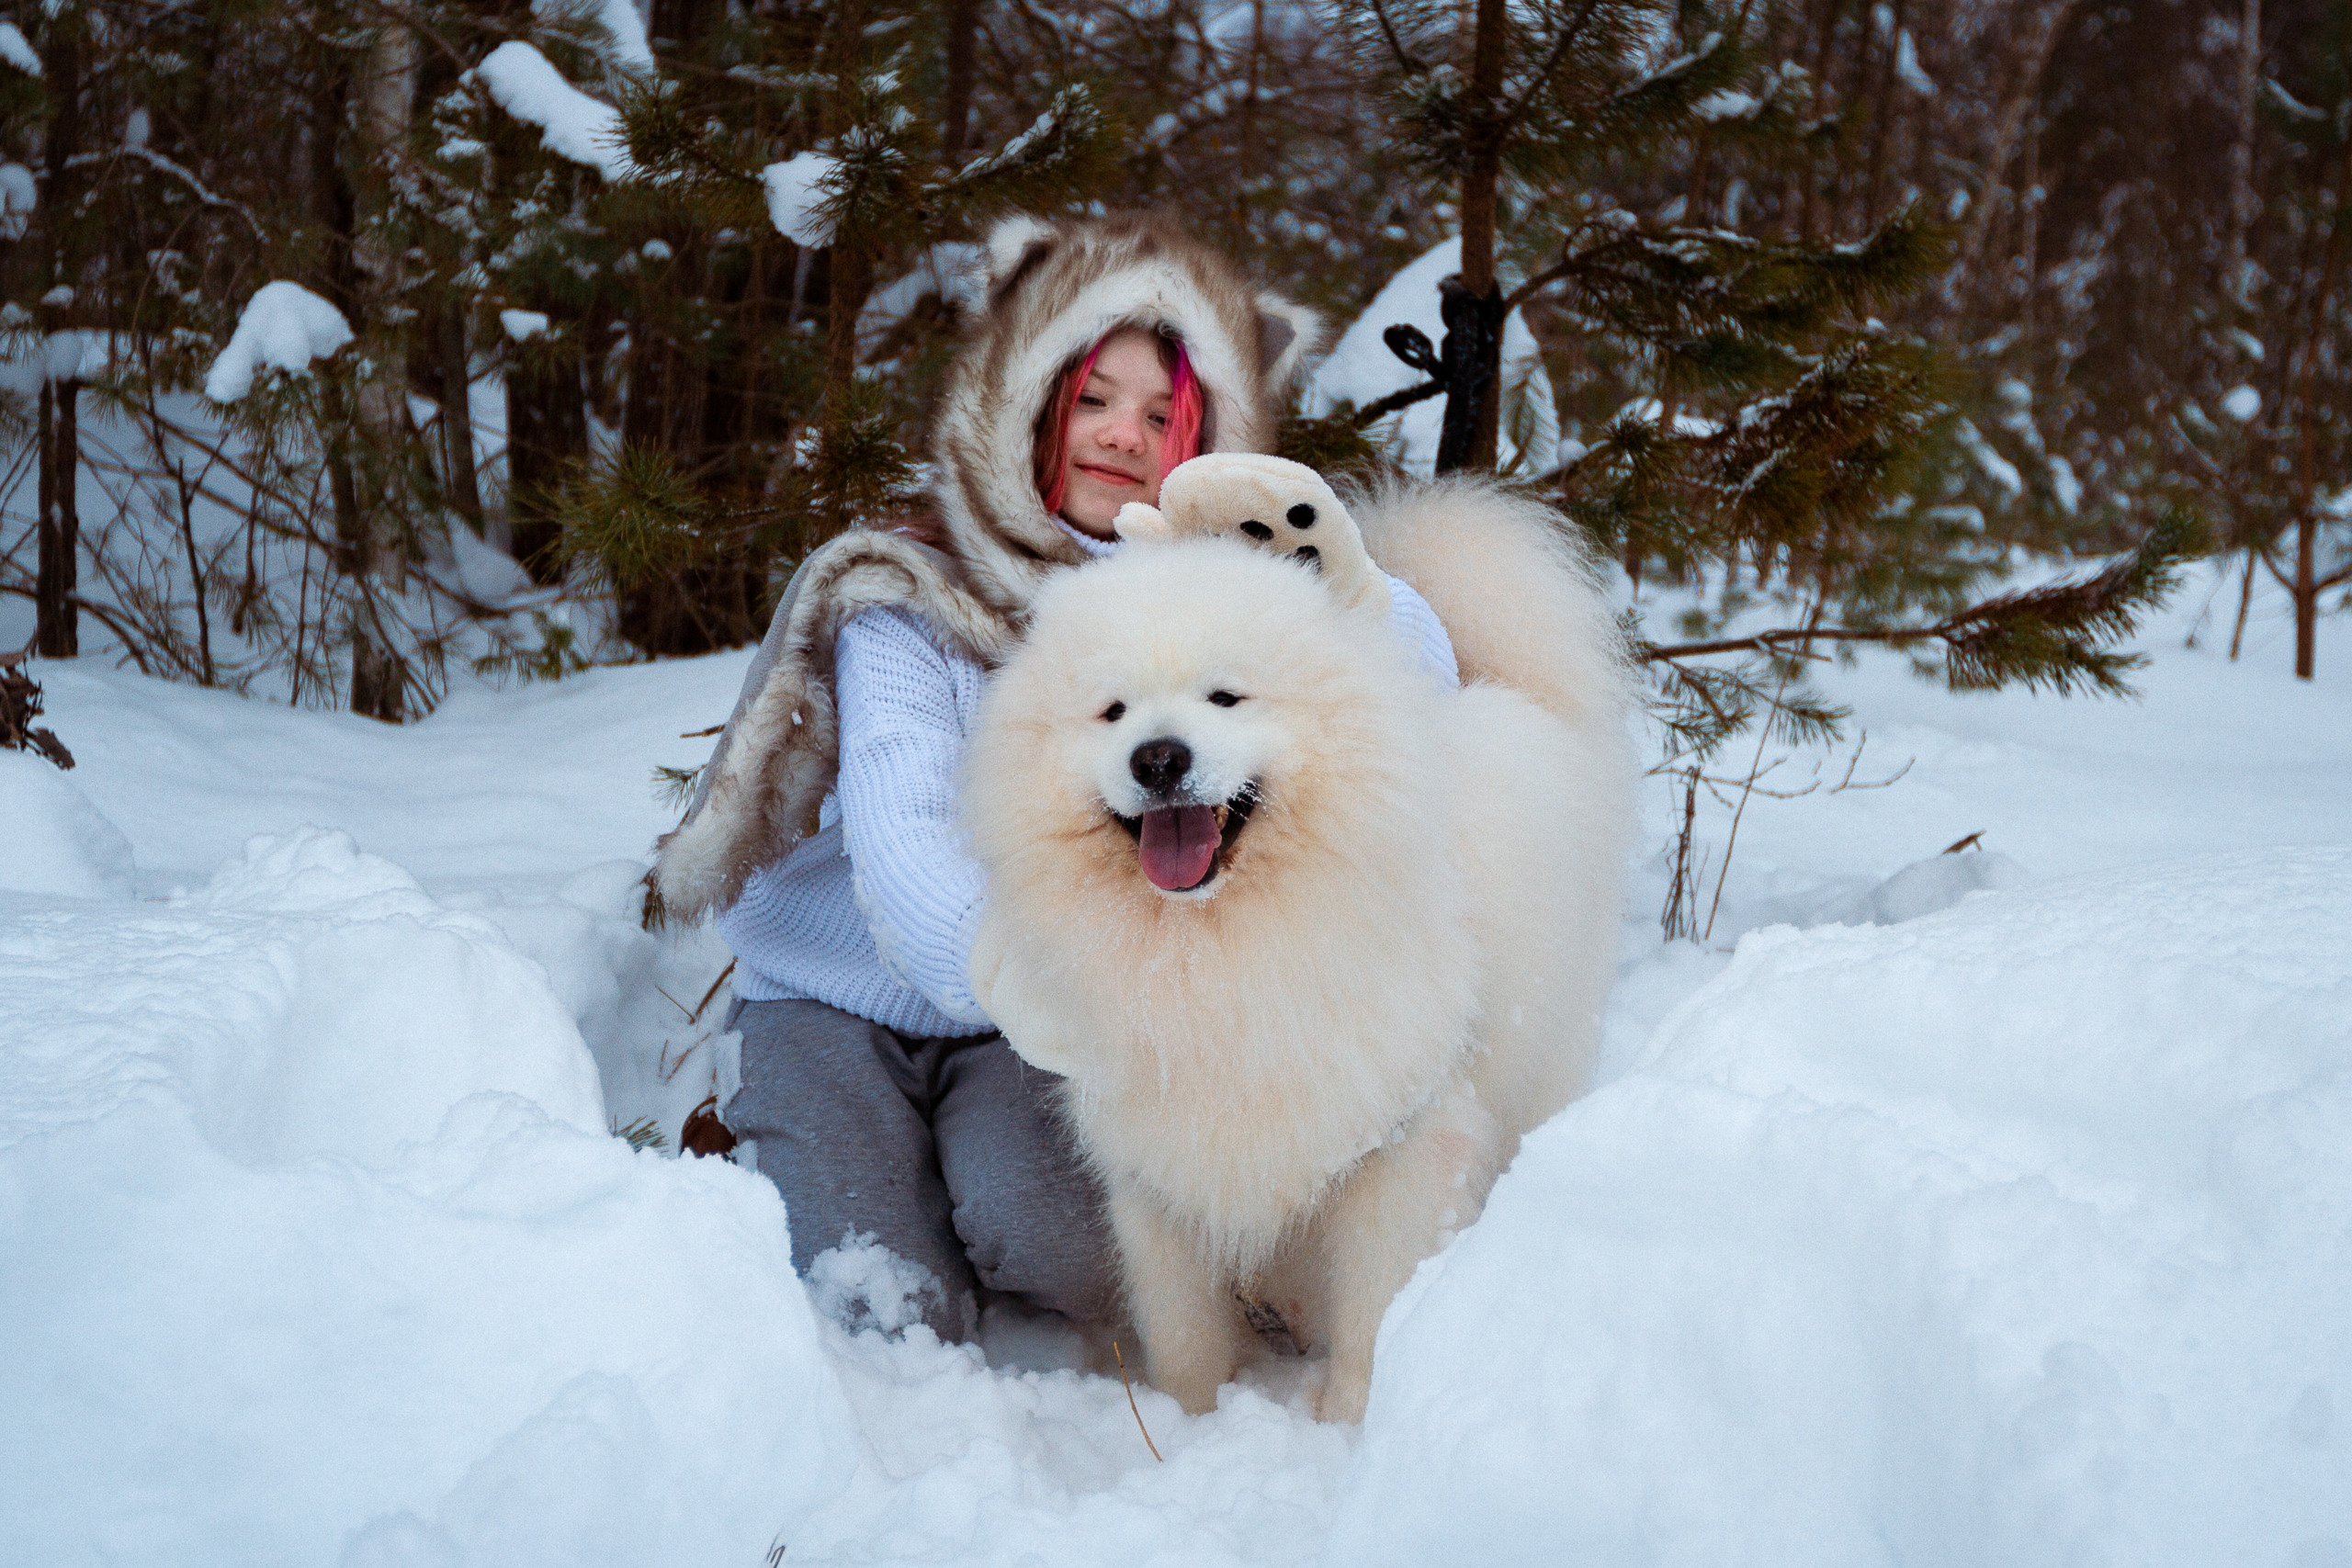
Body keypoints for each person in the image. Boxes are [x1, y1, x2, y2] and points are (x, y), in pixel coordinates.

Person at [650, 213, 1457, 1344]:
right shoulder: (907, 587)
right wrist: (1026, 976)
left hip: (1020, 1029)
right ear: (1022, 402)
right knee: (874, 1293)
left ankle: (958, 1172)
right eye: (1092, 399)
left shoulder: (1193, 593)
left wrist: (1341, 586)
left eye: (1162, 416)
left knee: (1079, 1261)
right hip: (847, 989)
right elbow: (902, 822)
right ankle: (768, 1112)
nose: (1123, 434)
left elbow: (1408, 683)